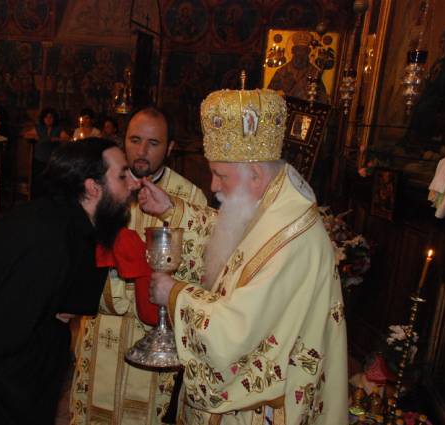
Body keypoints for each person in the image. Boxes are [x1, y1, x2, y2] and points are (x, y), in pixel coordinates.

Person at [140, 88, 348, 424]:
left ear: (255, 174)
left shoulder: (288, 237)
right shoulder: (274, 200)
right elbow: (232, 239)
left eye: (221, 175)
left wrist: (174, 294)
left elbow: (236, 330)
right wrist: (172, 209)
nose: (213, 186)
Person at [0, 138, 139, 425]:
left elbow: (65, 302)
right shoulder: (48, 240)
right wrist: (54, 330)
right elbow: (1, 347)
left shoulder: (64, 220)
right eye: (122, 176)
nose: (134, 183)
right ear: (93, 187)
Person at [70, 107, 208, 425]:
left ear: (170, 148)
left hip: (155, 350)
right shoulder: (99, 189)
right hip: (101, 336)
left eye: (153, 143)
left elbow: (197, 275)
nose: (142, 151)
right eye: (134, 140)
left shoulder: (189, 200)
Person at [268, 31, 329, 103]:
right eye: (298, 50)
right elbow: (269, 94)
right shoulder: (282, 71)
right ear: (293, 51)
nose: (301, 54)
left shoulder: (314, 72)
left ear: (308, 53)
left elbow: (323, 98)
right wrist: (283, 86)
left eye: (304, 51)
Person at [23, 107, 69, 195]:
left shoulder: (58, 129)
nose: (48, 119)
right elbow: (26, 135)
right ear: (43, 118)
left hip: (52, 160)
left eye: (50, 117)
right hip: (39, 159)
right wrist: (34, 136)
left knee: (51, 182)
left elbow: (66, 138)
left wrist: (57, 139)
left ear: (54, 118)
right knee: (38, 181)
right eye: (46, 117)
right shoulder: (39, 128)